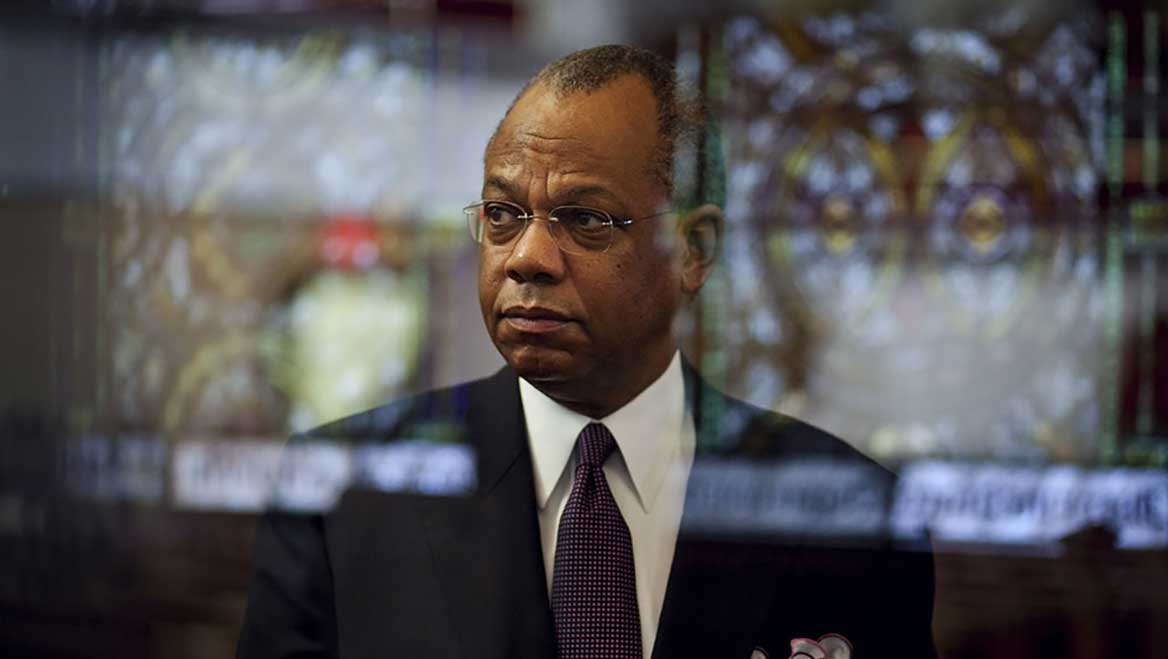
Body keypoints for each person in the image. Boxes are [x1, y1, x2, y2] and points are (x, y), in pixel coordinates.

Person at [237, 45, 936, 659]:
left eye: (585, 218)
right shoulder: (340, 495)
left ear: (693, 250)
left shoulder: (852, 515)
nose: (527, 258)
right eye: (503, 216)